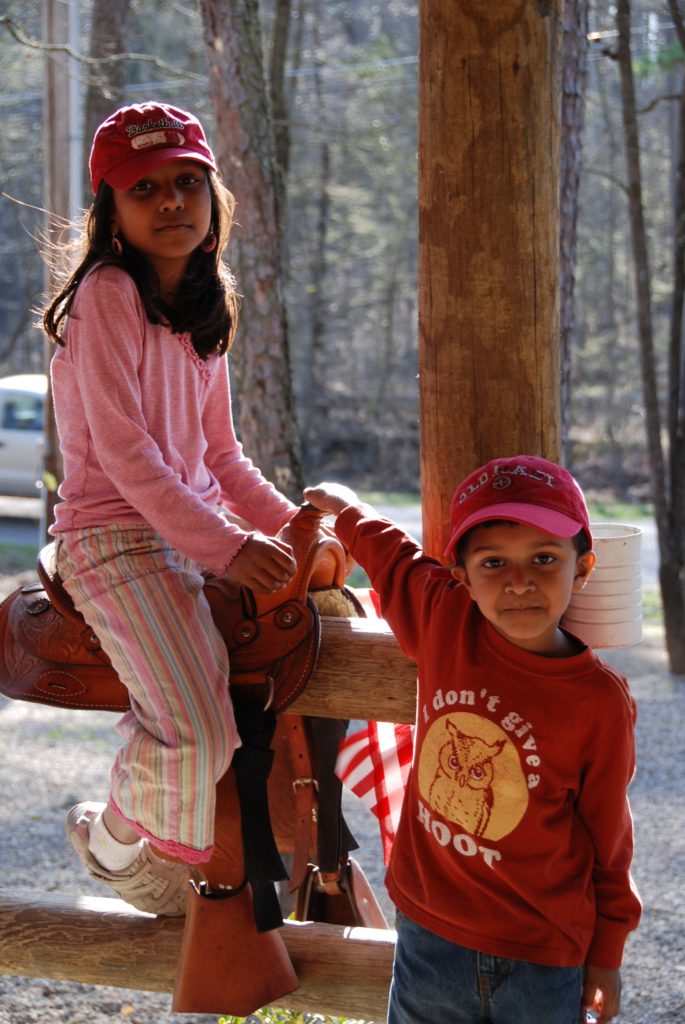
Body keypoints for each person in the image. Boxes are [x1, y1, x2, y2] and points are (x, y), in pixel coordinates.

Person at [43, 102, 299, 916]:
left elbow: (220, 458)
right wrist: (228, 547)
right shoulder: (107, 294)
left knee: (248, 700)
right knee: (197, 729)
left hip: (180, 536)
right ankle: (115, 847)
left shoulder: (200, 305)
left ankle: (278, 849)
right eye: (143, 187)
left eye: (188, 181)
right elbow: (127, 454)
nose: (170, 201)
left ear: (213, 195)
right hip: (111, 538)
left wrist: (291, 531)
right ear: (109, 211)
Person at [304, 455, 641, 1024]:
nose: (519, 581)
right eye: (493, 562)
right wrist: (346, 511)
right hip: (429, 937)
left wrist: (606, 956)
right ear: (460, 573)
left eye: (544, 558)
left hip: (543, 955)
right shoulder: (445, 619)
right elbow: (394, 557)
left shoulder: (599, 703)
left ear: (582, 567)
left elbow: (610, 843)